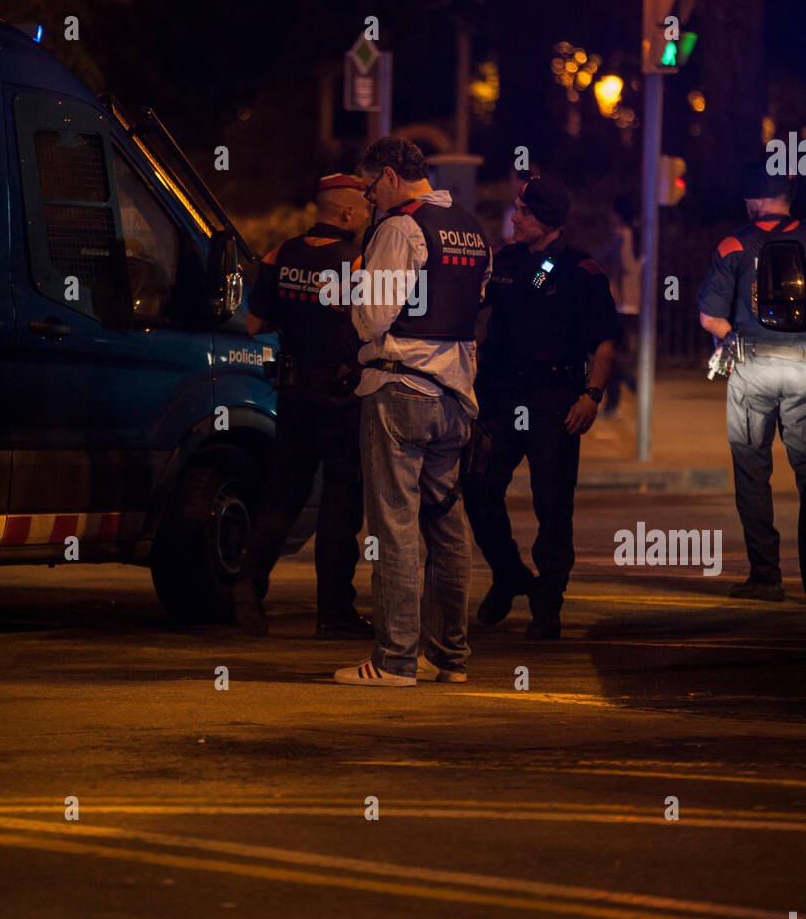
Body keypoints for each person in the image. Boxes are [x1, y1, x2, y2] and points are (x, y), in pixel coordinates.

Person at [332, 137, 492, 686]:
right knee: (448, 526)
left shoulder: (400, 229)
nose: (371, 198)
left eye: (372, 186)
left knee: (394, 527)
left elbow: (373, 317)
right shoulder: (470, 228)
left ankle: (394, 660)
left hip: (400, 391)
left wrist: (356, 287)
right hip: (454, 396)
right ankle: (448, 657)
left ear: (393, 177)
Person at [462, 174, 620, 639]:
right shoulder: (505, 262)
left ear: (547, 220)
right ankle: (509, 575)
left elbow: (606, 341)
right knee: (477, 486)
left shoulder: (579, 270)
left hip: (554, 401)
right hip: (500, 396)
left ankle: (547, 603)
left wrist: (592, 396)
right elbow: (471, 307)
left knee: (552, 504)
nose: (515, 217)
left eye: (524, 212)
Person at [232, 174, 374, 639]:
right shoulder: (358, 261)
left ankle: (249, 586)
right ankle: (333, 613)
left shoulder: (280, 254)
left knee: (283, 494)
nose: (369, 216)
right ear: (348, 213)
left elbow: (253, 323)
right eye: (365, 209)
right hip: (341, 396)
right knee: (340, 502)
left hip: (292, 391)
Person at [697, 162, 806, 601]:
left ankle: (766, 576)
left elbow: (710, 315)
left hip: (752, 367)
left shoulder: (733, 245)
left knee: (752, 473)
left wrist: (730, 336)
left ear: (756, 200)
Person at [595, 195, 641, 418]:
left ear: (618, 215)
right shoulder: (640, 235)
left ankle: (629, 387)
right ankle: (618, 397)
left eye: (613, 212)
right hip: (633, 303)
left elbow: (603, 259)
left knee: (611, 354)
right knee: (615, 353)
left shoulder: (622, 236)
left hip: (622, 302)